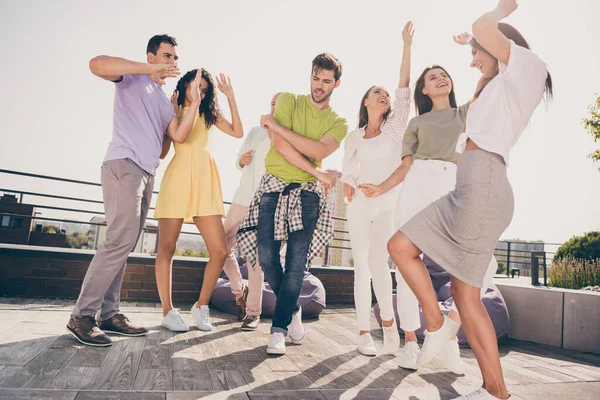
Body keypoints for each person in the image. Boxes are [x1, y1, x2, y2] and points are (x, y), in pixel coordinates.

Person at [387, 1, 552, 398]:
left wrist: (499, 11)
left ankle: (495, 389)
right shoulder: (495, 88)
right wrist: (473, 43)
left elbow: (484, 26)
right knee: (403, 248)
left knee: (465, 293)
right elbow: (477, 89)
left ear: (500, 46)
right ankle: (439, 323)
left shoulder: (529, 67)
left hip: (486, 186)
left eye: (477, 54)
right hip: (467, 188)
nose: (473, 62)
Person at [68, 34, 181, 346]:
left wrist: (179, 109)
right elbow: (96, 64)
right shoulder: (132, 76)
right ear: (150, 56)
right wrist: (146, 70)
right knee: (119, 240)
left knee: (126, 242)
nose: (172, 62)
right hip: (124, 163)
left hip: (147, 171)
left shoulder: (161, 98)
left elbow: (162, 149)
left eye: (174, 58)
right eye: (166, 55)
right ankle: (82, 315)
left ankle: (109, 313)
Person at [237, 53, 347, 355]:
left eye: (326, 81)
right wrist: (316, 169)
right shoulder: (288, 100)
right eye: (315, 78)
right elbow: (282, 148)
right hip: (274, 187)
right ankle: (292, 308)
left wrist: (277, 126)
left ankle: (278, 330)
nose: (319, 86)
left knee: (297, 264)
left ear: (337, 83)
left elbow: (320, 147)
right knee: (266, 256)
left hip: (308, 195)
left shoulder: (338, 122)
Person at [341, 22, 413, 356]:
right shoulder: (353, 136)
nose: (384, 96)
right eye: (377, 93)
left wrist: (406, 45)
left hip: (388, 204)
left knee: (379, 263)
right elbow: (349, 171)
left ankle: (388, 323)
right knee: (361, 268)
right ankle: (362, 333)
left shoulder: (396, 126)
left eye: (385, 94)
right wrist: (349, 186)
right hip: (359, 208)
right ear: (366, 101)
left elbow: (403, 89)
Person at [154, 68, 243, 332]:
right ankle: (168, 311)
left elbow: (237, 132)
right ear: (185, 85)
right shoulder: (172, 108)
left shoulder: (208, 113)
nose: (200, 93)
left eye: (205, 90)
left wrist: (230, 97)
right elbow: (162, 151)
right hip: (178, 179)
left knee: (220, 250)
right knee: (166, 248)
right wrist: (170, 117)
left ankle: (201, 306)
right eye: (196, 87)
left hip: (205, 180)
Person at [222, 93, 282, 330]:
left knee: (254, 259)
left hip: (265, 204)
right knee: (219, 245)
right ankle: (239, 289)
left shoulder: (286, 135)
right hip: (241, 198)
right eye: (273, 103)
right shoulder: (255, 132)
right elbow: (238, 161)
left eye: (280, 103)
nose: (275, 106)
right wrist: (243, 159)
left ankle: (253, 313)